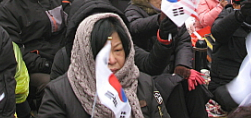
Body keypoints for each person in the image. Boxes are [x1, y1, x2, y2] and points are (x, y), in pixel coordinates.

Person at [38, 13, 169, 118]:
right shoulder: (60, 93)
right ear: (87, 54)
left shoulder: (144, 84)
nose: (111, 60)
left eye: (118, 50)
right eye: (103, 53)